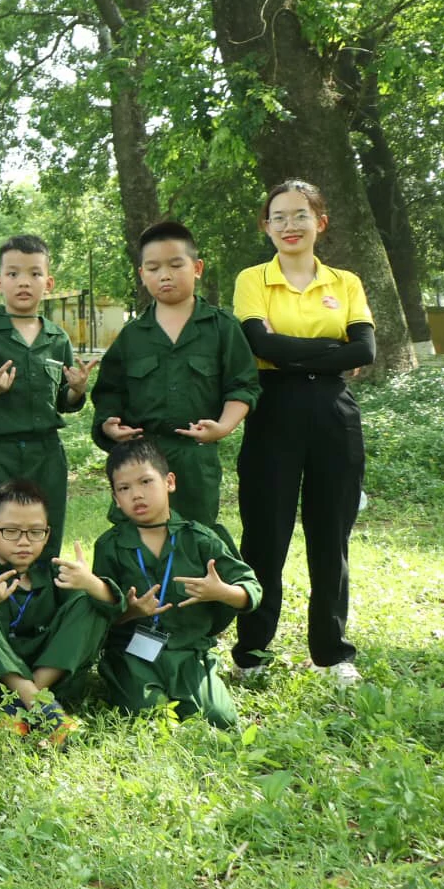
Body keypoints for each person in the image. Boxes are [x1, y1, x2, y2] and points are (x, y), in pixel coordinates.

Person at [230, 179, 375, 686]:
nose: (289, 225)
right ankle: (252, 653)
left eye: (300, 215)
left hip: (334, 413)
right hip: (273, 409)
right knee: (265, 535)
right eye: (279, 217)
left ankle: (332, 654)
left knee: (331, 536)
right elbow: (258, 343)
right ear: (266, 226)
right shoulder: (253, 279)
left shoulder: (345, 282)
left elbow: (365, 350)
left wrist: (288, 349)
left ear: (321, 222)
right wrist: (331, 350)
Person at [89, 221, 260, 534]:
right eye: (153, 268)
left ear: (197, 268)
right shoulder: (131, 336)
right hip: (141, 459)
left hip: (195, 460)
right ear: (142, 275)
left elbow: (243, 385)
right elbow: (109, 392)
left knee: (196, 538)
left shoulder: (222, 328)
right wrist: (109, 425)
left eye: (175, 265)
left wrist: (223, 427)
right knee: (136, 540)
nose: (164, 275)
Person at [85, 440, 261, 728]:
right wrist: (131, 611)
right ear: (116, 498)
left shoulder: (200, 540)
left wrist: (222, 592)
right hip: (133, 653)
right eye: (124, 488)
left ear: (169, 482)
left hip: (189, 653)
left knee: (219, 719)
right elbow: (101, 614)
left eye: (145, 482)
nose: (136, 494)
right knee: (148, 714)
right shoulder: (109, 547)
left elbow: (251, 590)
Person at [0, 478, 108, 745]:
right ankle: (43, 708)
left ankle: (23, 704)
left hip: (49, 677)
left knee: (90, 602)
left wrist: (91, 583)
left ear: (47, 535)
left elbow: (108, 608)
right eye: (11, 531)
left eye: (35, 532)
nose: (24, 541)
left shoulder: (55, 574)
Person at [0, 235, 93, 560]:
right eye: (13, 273)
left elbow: (62, 400)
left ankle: (43, 592)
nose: (24, 282)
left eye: (34, 274)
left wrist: (77, 389)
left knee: (44, 537)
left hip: (45, 453)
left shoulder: (57, 338)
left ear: (48, 283)